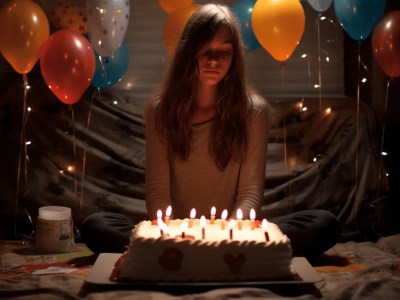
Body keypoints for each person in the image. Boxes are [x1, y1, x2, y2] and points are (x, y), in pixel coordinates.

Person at [80, 3, 341, 258]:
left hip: (234, 233)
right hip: (176, 233)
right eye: (205, 50)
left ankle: (219, 253)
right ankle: (187, 252)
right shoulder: (160, 111)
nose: (213, 60)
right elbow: (158, 191)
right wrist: (172, 235)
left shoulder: (254, 111)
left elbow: (250, 193)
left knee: (323, 223)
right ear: (188, 53)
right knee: (96, 227)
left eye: (224, 51)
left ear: (235, 57)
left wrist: (228, 235)